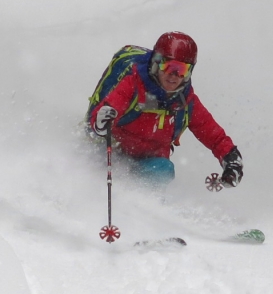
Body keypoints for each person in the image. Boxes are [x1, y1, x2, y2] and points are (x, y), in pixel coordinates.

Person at [87, 31, 243, 188]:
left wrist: (230, 158)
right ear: (156, 63)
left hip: (148, 162)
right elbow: (106, 111)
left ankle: (142, 208)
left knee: (164, 170)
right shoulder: (133, 83)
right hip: (113, 149)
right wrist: (101, 122)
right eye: (169, 66)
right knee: (94, 161)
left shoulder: (185, 100)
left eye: (182, 70)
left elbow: (211, 133)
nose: (174, 76)